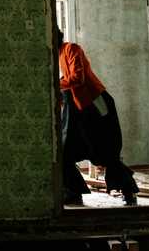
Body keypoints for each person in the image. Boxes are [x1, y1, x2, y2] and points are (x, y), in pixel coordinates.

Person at [57, 29, 139, 206]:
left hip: (96, 105)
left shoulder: (71, 48)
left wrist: (54, 83)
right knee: (66, 152)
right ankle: (74, 192)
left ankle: (128, 190)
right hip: (80, 108)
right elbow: (68, 81)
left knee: (106, 152)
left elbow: (77, 78)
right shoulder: (59, 55)